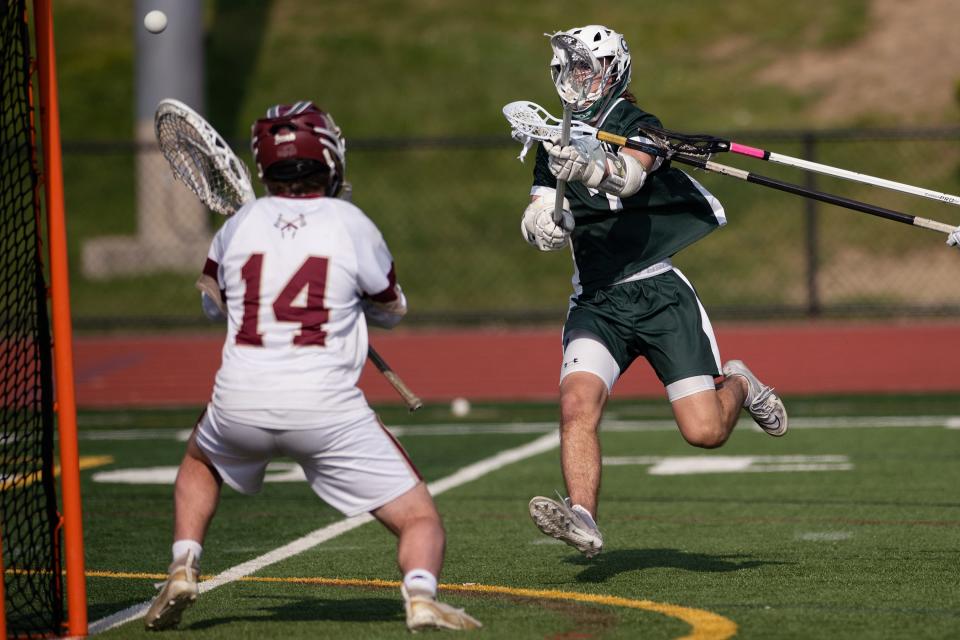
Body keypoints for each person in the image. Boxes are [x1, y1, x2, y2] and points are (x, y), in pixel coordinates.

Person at [144, 101, 480, 632]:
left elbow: (214, 304)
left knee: (199, 462)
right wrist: (352, 307)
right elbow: (391, 310)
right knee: (419, 519)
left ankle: (184, 562)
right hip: (327, 409)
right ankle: (419, 594)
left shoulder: (240, 223)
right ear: (328, 155)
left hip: (240, 401)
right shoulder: (351, 223)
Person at [520, 26, 788, 558]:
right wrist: (542, 227)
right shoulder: (555, 136)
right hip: (596, 302)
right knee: (576, 406)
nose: (575, 78)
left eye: (585, 67)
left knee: (705, 432)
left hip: (657, 294)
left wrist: (591, 166)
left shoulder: (636, 125)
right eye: (568, 69)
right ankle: (582, 517)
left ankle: (738, 382)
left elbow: (630, 177)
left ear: (612, 70)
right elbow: (536, 209)